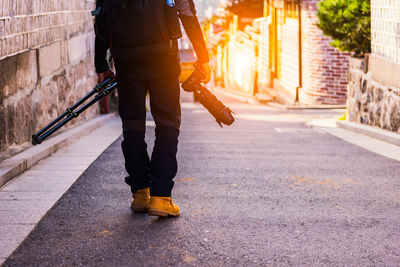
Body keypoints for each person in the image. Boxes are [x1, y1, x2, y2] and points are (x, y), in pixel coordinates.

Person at [94, 0, 210, 217]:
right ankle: (161, 197)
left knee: (132, 124)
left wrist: (102, 64)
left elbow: (101, 17)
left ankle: (140, 194)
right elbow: (187, 14)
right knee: (168, 122)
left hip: (125, 58)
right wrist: (203, 57)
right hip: (163, 57)